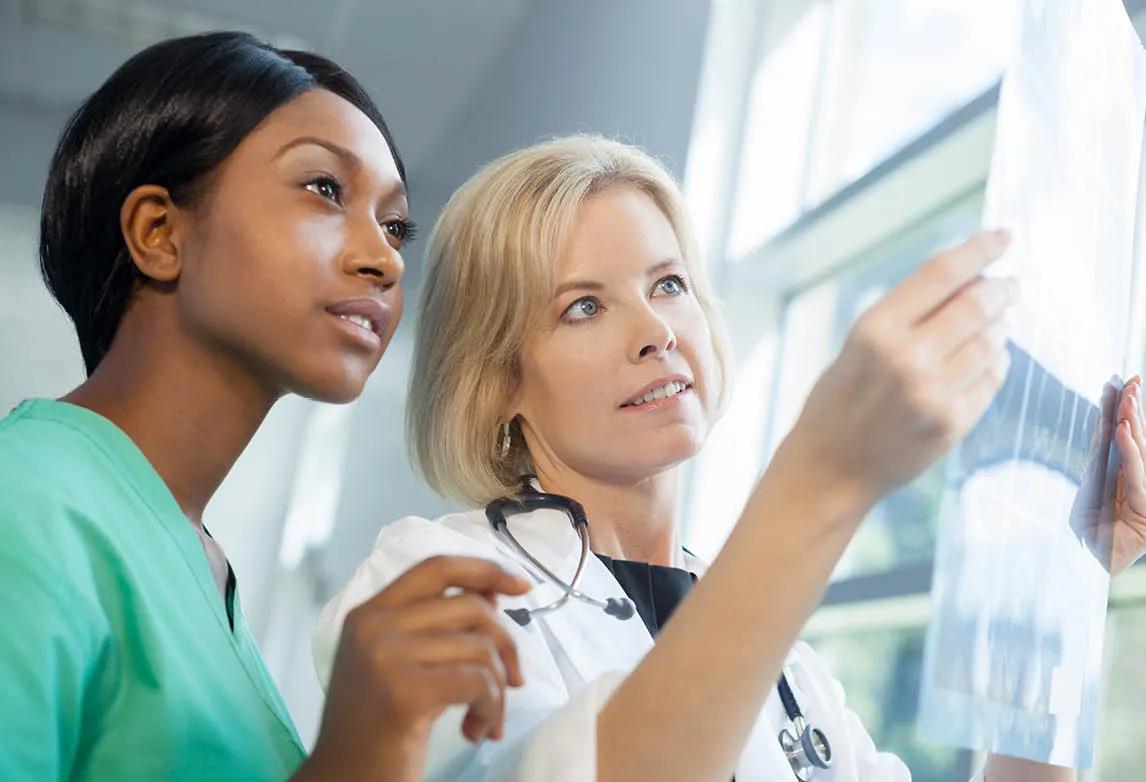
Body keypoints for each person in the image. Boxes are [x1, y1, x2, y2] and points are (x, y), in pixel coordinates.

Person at [313, 135, 1146, 781]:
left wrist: (1066, 580)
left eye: (668, 284)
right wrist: (824, 477)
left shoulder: (793, 673)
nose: (656, 331)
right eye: (585, 307)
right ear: (499, 382)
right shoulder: (429, 577)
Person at [0, 31, 529, 781]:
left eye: (395, 226)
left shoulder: (203, 575)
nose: (385, 258)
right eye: (325, 189)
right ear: (159, 233)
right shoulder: (26, 499)